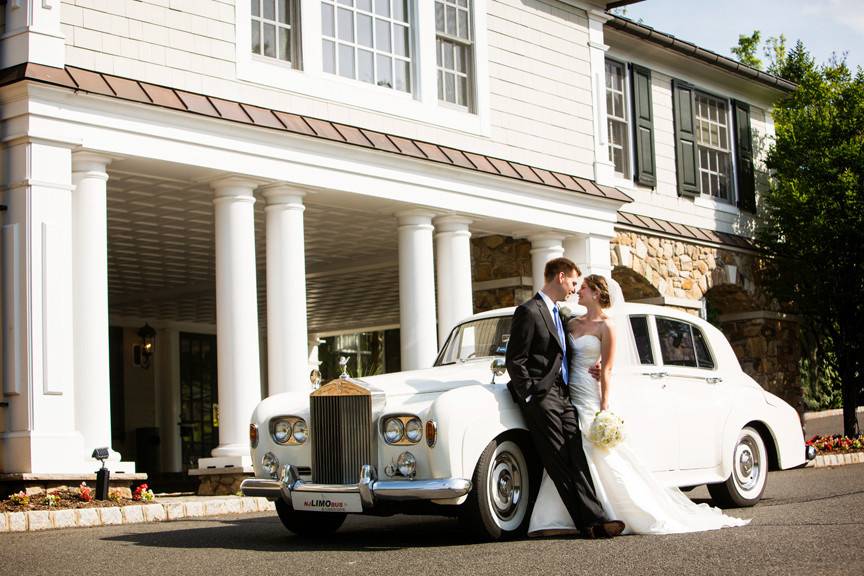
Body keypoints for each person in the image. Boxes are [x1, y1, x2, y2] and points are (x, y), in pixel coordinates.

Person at [528, 274, 750, 535]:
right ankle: (568, 514)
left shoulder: (607, 326)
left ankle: (616, 510)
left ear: (597, 294)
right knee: (567, 451)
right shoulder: (571, 322)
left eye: (584, 288)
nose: (579, 291)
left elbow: (608, 369)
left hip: (589, 392)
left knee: (596, 449)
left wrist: (604, 407)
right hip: (567, 393)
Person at [505, 258, 625, 539]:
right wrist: (530, 394)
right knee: (557, 460)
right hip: (541, 397)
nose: (574, 288)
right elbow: (515, 359)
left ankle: (593, 517)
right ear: (560, 277)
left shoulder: (562, 315)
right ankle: (590, 523)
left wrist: (596, 363)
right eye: (573, 282)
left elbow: (571, 348)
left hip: (566, 395)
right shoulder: (528, 311)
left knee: (576, 454)